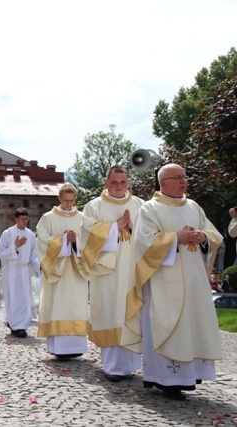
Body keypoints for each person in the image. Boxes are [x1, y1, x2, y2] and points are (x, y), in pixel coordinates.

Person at [122, 163, 223, 400]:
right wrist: (175, 237)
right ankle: (165, 378)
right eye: (177, 177)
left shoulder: (194, 207)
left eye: (184, 176)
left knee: (191, 326)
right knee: (168, 326)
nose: (183, 181)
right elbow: (143, 243)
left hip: (194, 281)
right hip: (164, 283)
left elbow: (214, 235)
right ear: (163, 182)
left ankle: (189, 376)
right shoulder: (150, 209)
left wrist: (203, 238)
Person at [81, 166, 143, 380]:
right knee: (110, 312)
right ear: (106, 183)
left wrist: (132, 228)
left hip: (133, 270)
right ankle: (112, 367)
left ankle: (130, 365)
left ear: (128, 183)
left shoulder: (140, 205)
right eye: (114, 182)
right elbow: (87, 237)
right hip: (106, 272)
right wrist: (115, 228)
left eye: (123, 182)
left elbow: (149, 235)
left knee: (130, 313)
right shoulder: (93, 207)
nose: (118, 186)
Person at [36, 183, 89, 359]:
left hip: (76, 271)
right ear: (59, 198)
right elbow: (42, 242)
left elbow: (90, 243)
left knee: (76, 305)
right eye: (65, 200)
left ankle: (76, 347)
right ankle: (58, 347)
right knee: (57, 305)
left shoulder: (83, 218)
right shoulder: (48, 218)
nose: (68, 204)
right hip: (56, 272)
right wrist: (64, 240)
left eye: (72, 201)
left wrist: (75, 243)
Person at [0, 208, 40, 338]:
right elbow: (0, 252)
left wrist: (40, 268)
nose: (25, 221)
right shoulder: (8, 233)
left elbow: (34, 255)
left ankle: (22, 326)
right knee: (12, 298)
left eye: (27, 219)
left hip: (24, 270)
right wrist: (14, 247)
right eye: (22, 219)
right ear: (16, 219)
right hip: (11, 270)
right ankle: (13, 323)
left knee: (24, 298)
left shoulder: (31, 235)